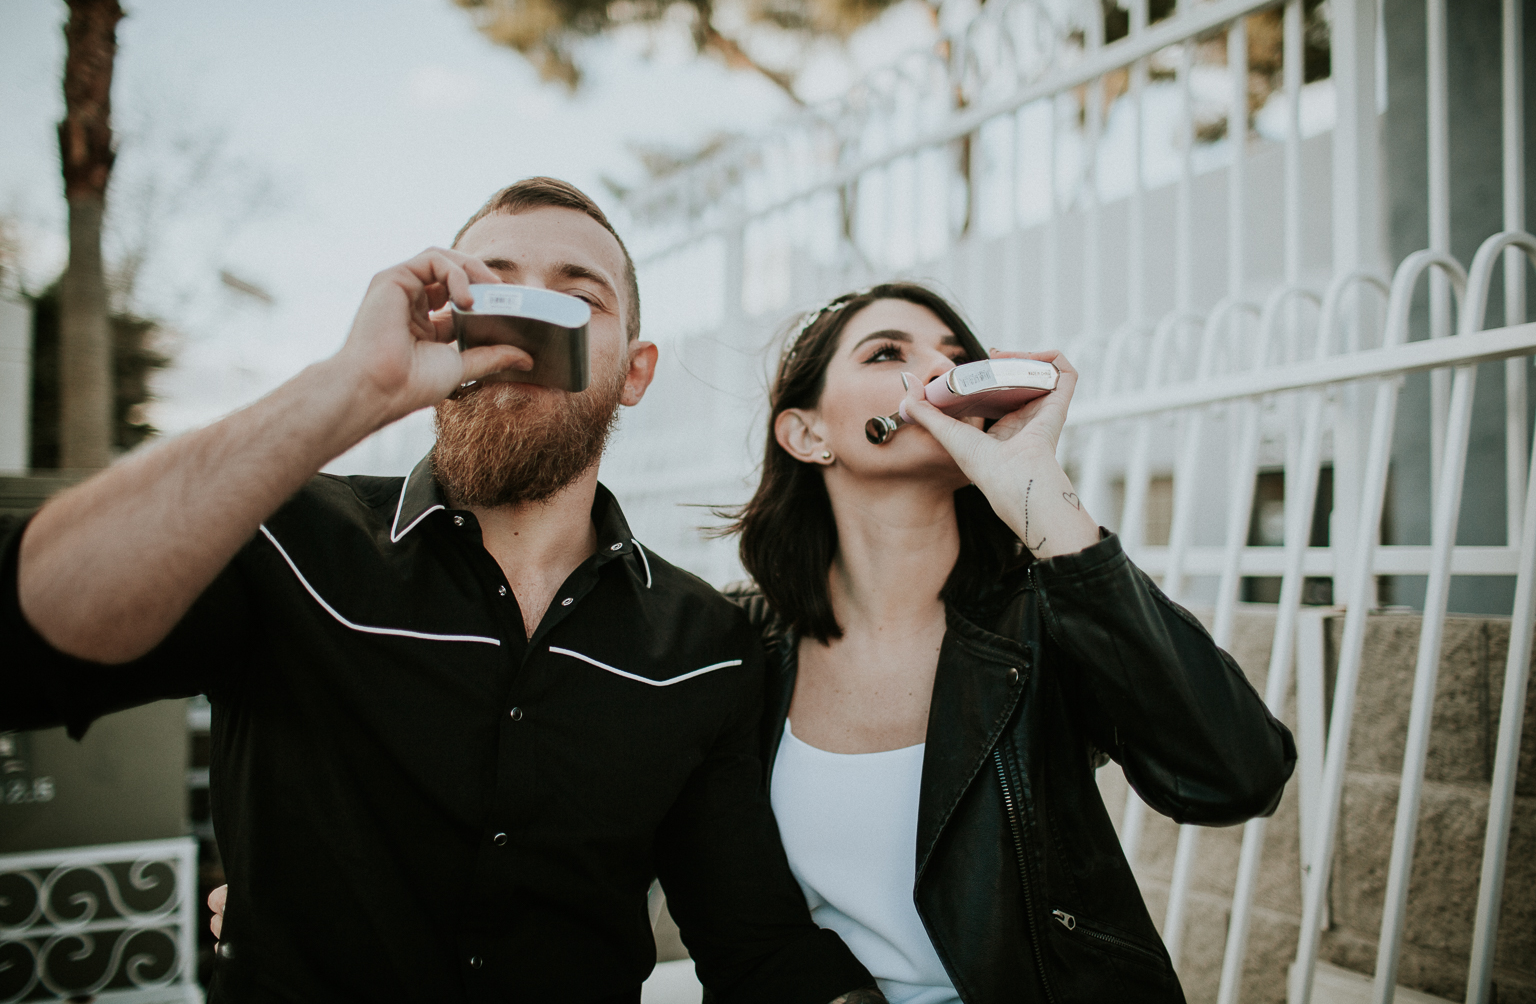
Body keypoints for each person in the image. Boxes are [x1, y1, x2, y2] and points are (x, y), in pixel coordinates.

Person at [0, 179, 884, 1004]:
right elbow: (24, 638)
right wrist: (356, 385)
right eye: (487, 290)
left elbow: (757, 951)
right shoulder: (287, 536)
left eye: (576, 300)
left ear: (636, 371)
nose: (525, 318)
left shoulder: (702, 641)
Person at [719, 283, 1297, 1003]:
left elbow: (1237, 777)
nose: (937, 366)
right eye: (888, 352)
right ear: (806, 435)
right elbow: (731, 905)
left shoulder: (1040, 620)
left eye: (956, 355)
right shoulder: (742, 643)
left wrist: (1034, 486)